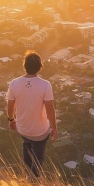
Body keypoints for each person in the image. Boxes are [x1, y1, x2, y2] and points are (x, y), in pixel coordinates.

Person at [6, 50, 57, 178]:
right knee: (38, 157)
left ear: (25, 66)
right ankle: (33, 181)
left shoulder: (14, 83)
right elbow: (50, 109)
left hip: (22, 127)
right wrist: (54, 127)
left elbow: (10, 104)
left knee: (27, 144)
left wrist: (11, 119)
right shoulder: (45, 85)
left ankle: (28, 172)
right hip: (40, 130)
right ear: (40, 67)